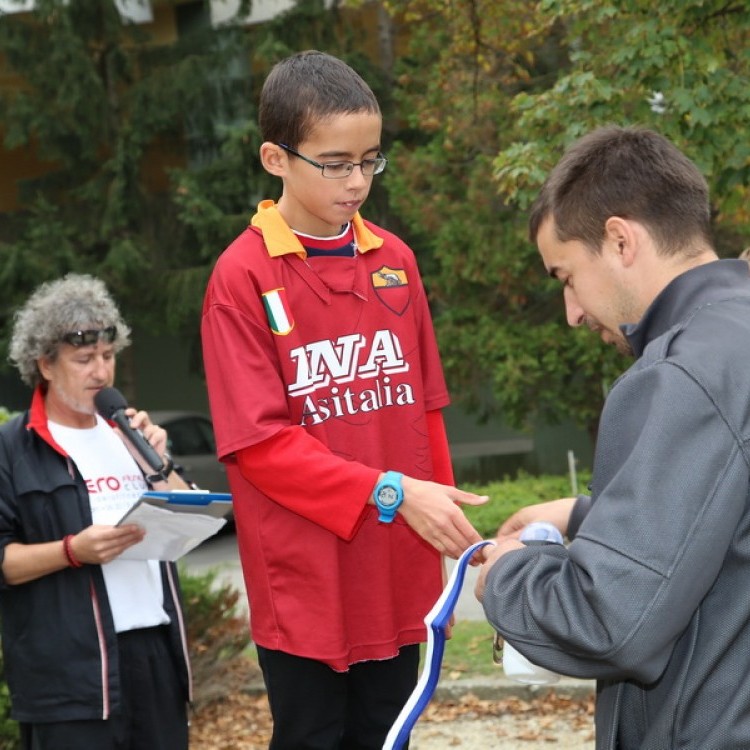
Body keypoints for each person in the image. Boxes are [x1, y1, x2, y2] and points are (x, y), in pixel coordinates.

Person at [201, 50, 487, 749]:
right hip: (307, 585)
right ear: (276, 157)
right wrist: (391, 491)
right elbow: (261, 445)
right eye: (335, 163)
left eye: (370, 159)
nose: (357, 180)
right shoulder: (240, 277)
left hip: (397, 570)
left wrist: (447, 526)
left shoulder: (396, 260)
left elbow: (424, 410)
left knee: (389, 737)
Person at [475, 125, 750, 749]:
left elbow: (611, 620)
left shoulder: (680, 374)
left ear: (620, 240)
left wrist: (509, 575)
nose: (572, 312)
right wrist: (583, 514)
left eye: (566, 276)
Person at [0, 274, 192, 750]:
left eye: (108, 356)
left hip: (156, 655)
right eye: (84, 360)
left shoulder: (132, 435)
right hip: (68, 677)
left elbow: (189, 513)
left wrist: (159, 462)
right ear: (45, 364)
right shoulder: (11, 449)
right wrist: (73, 551)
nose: (101, 373)